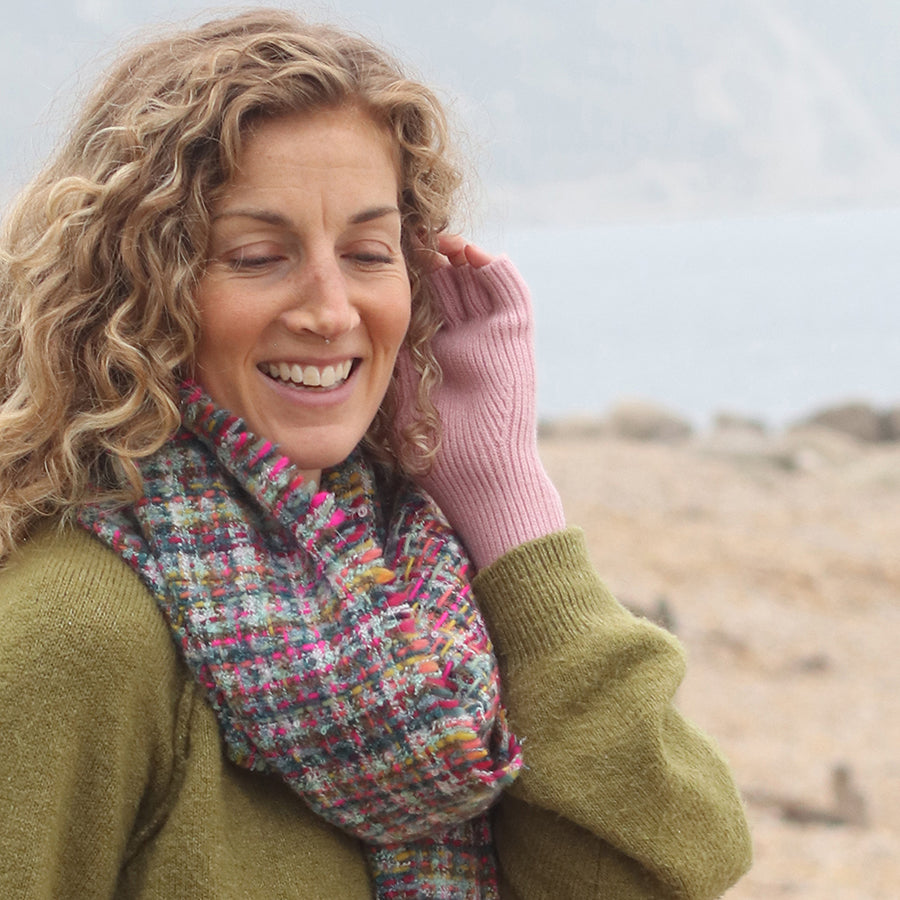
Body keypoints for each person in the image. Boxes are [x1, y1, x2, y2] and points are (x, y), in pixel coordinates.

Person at [0, 9, 752, 899]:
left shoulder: (427, 598)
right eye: (256, 256)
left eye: (366, 252)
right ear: (140, 288)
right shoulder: (78, 625)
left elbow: (664, 869)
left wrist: (510, 507)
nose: (330, 309)